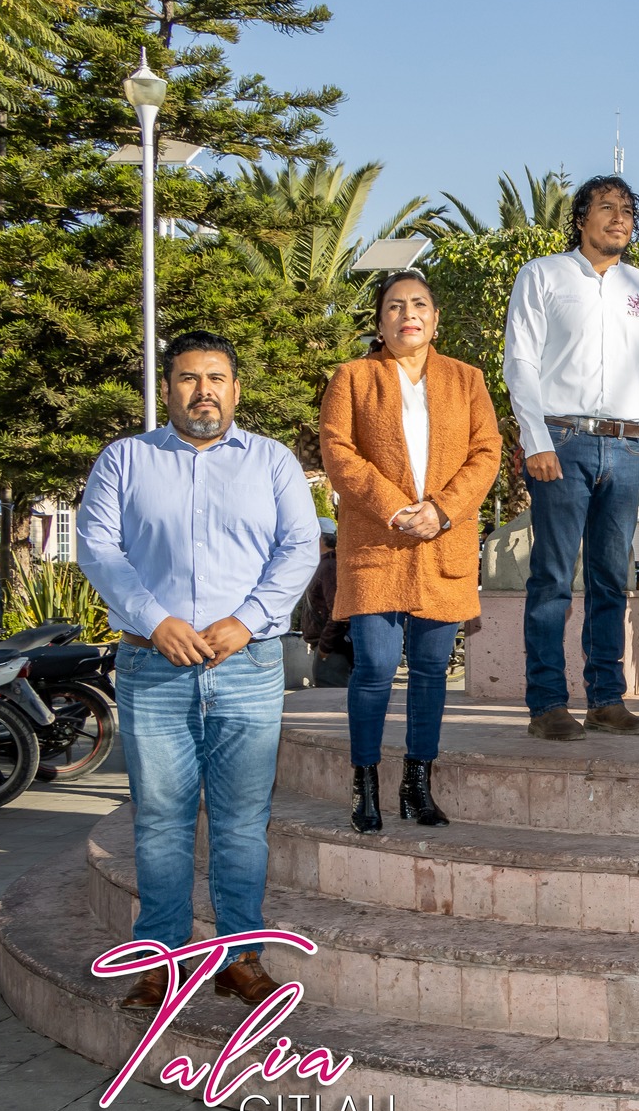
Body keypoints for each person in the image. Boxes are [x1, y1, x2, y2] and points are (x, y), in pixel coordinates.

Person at [77, 331, 320, 1009]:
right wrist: (155, 619)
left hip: (247, 664)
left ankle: (239, 959)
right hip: (153, 666)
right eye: (188, 378)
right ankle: (162, 963)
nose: (203, 390)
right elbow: (98, 546)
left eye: (216, 377)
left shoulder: (273, 462)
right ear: (167, 389)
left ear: (236, 389)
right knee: (160, 821)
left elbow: (301, 546)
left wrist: (248, 618)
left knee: (243, 822)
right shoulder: (125, 460)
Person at [320, 268, 502, 832]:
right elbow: (338, 451)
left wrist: (442, 509)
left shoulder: (467, 380)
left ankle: (417, 784)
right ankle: (365, 783)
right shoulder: (351, 377)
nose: (408, 314)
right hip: (377, 540)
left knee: (429, 669)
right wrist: (397, 507)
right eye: (395, 306)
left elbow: (487, 452)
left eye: (419, 304)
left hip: (444, 543)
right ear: (379, 322)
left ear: (436, 319)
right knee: (373, 664)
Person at [503, 175, 639, 741]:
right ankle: (547, 704)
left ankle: (606, 699)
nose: (620, 218)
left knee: (611, 578)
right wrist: (537, 440)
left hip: (627, 447)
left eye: (628, 209)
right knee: (552, 576)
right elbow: (521, 363)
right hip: (563, 442)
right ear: (581, 218)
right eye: (607, 207)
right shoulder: (544, 276)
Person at [300, 519, 354, 688]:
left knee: (330, 698)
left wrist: (325, 647)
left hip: (332, 650)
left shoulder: (329, 566)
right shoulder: (327, 564)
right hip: (331, 647)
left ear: (320, 538)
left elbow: (338, 612)